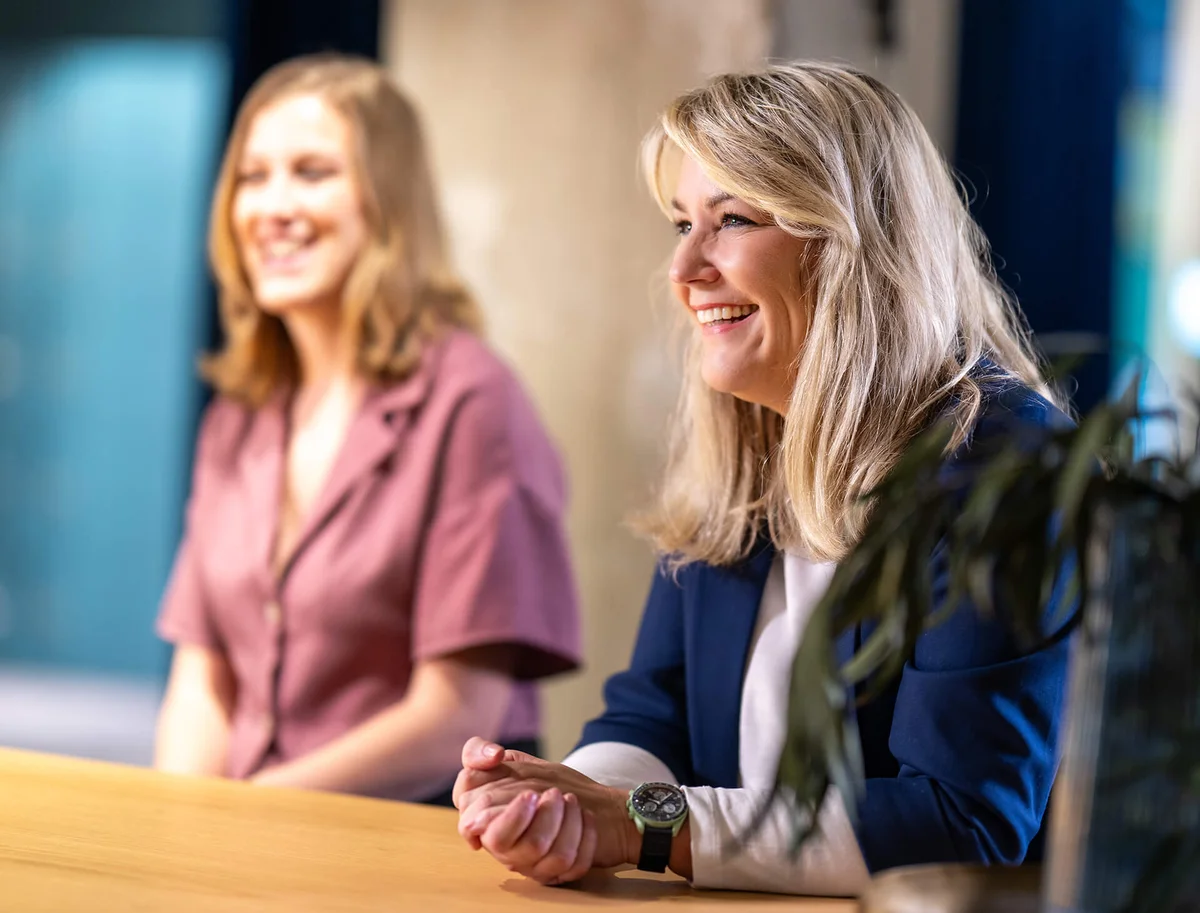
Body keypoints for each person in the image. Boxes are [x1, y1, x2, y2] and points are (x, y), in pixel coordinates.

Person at [451, 61, 1073, 894]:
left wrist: (636, 825)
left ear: (856, 244)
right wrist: (565, 804)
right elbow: (651, 712)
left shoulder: (1000, 462)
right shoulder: (749, 439)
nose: (684, 270)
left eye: (733, 219)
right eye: (681, 223)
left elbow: (964, 820)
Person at [153, 54, 580, 804]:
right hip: (245, 834)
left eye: (311, 172)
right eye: (253, 177)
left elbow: (455, 716)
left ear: (388, 202)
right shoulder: (238, 413)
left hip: (411, 837)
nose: (272, 206)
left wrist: (243, 816)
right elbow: (203, 679)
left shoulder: (472, 400)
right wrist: (181, 825)